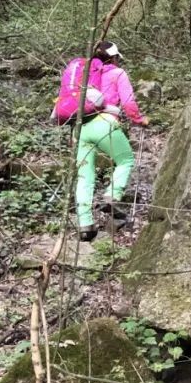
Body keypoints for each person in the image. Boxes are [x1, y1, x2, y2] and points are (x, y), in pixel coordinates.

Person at [74, 41, 149, 242]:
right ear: (114, 58)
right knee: (126, 160)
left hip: (81, 127)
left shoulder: (85, 74)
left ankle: (85, 225)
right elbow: (128, 102)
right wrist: (139, 120)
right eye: (117, 58)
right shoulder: (117, 73)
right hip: (104, 124)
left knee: (84, 176)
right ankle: (112, 196)